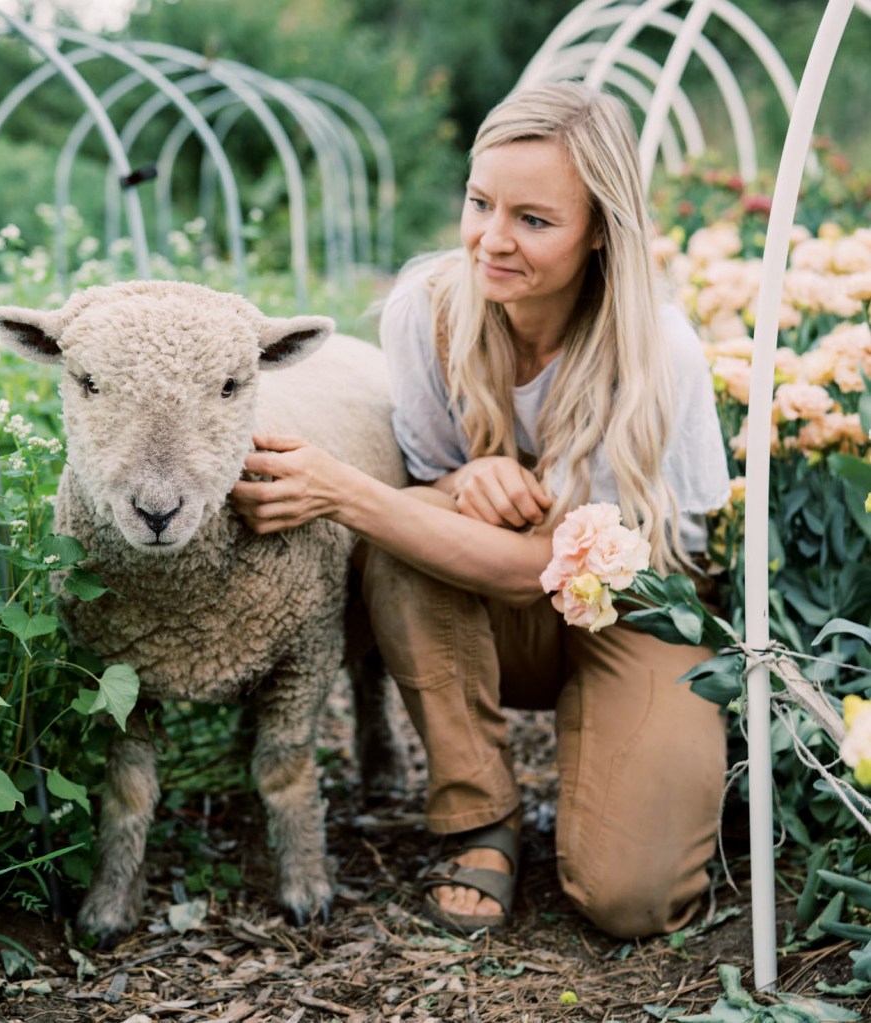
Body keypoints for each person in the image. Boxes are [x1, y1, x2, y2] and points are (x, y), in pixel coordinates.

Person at [231, 81, 731, 940]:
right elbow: (429, 488)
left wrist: (344, 490)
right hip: (509, 609)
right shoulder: (426, 312)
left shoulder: (658, 355)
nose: (491, 240)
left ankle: (631, 755)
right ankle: (480, 815)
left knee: (633, 899)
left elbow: (538, 565)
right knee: (402, 546)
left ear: (601, 234)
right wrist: (463, 483)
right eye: (479, 202)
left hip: (640, 607)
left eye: (534, 220)